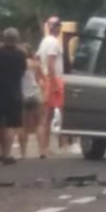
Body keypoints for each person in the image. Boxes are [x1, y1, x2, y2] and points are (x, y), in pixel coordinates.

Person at [0, 28, 28, 164]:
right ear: (16, 40)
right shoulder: (20, 55)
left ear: (4, 39)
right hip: (13, 93)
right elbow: (22, 72)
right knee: (11, 125)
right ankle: (6, 155)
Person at [37, 16, 65, 158]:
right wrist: (54, 84)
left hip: (46, 78)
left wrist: (42, 79)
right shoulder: (54, 42)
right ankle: (64, 146)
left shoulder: (44, 41)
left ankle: (43, 149)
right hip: (55, 79)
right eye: (58, 26)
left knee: (45, 117)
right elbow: (50, 63)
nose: (59, 28)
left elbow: (38, 60)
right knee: (62, 113)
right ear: (55, 28)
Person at [18, 44, 44, 159]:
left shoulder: (17, 65)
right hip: (35, 95)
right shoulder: (35, 64)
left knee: (22, 126)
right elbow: (40, 79)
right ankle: (42, 152)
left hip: (22, 96)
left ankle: (23, 154)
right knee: (39, 124)